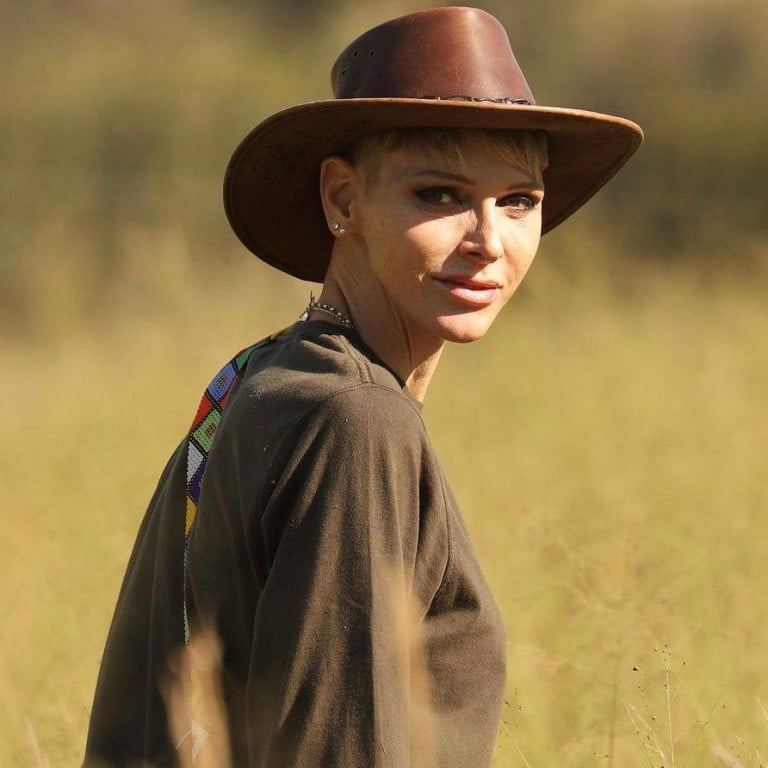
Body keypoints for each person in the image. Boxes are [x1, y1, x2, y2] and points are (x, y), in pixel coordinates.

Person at [84, 6, 642, 768]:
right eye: (439, 195)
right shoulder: (357, 417)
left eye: (519, 200)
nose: (488, 240)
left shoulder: (266, 374)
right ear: (343, 201)